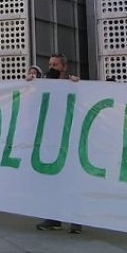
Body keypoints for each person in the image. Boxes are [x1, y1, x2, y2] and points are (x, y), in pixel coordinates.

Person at [37, 55, 82, 233]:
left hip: (70, 139)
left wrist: (78, 85)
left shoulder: (73, 83)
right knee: (53, 181)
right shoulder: (44, 84)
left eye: (55, 65)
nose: (51, 67)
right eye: (49, 64)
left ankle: (75, 219)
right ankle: (54, 217)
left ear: (64, 67)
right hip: (51, 139)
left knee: (71, 180)